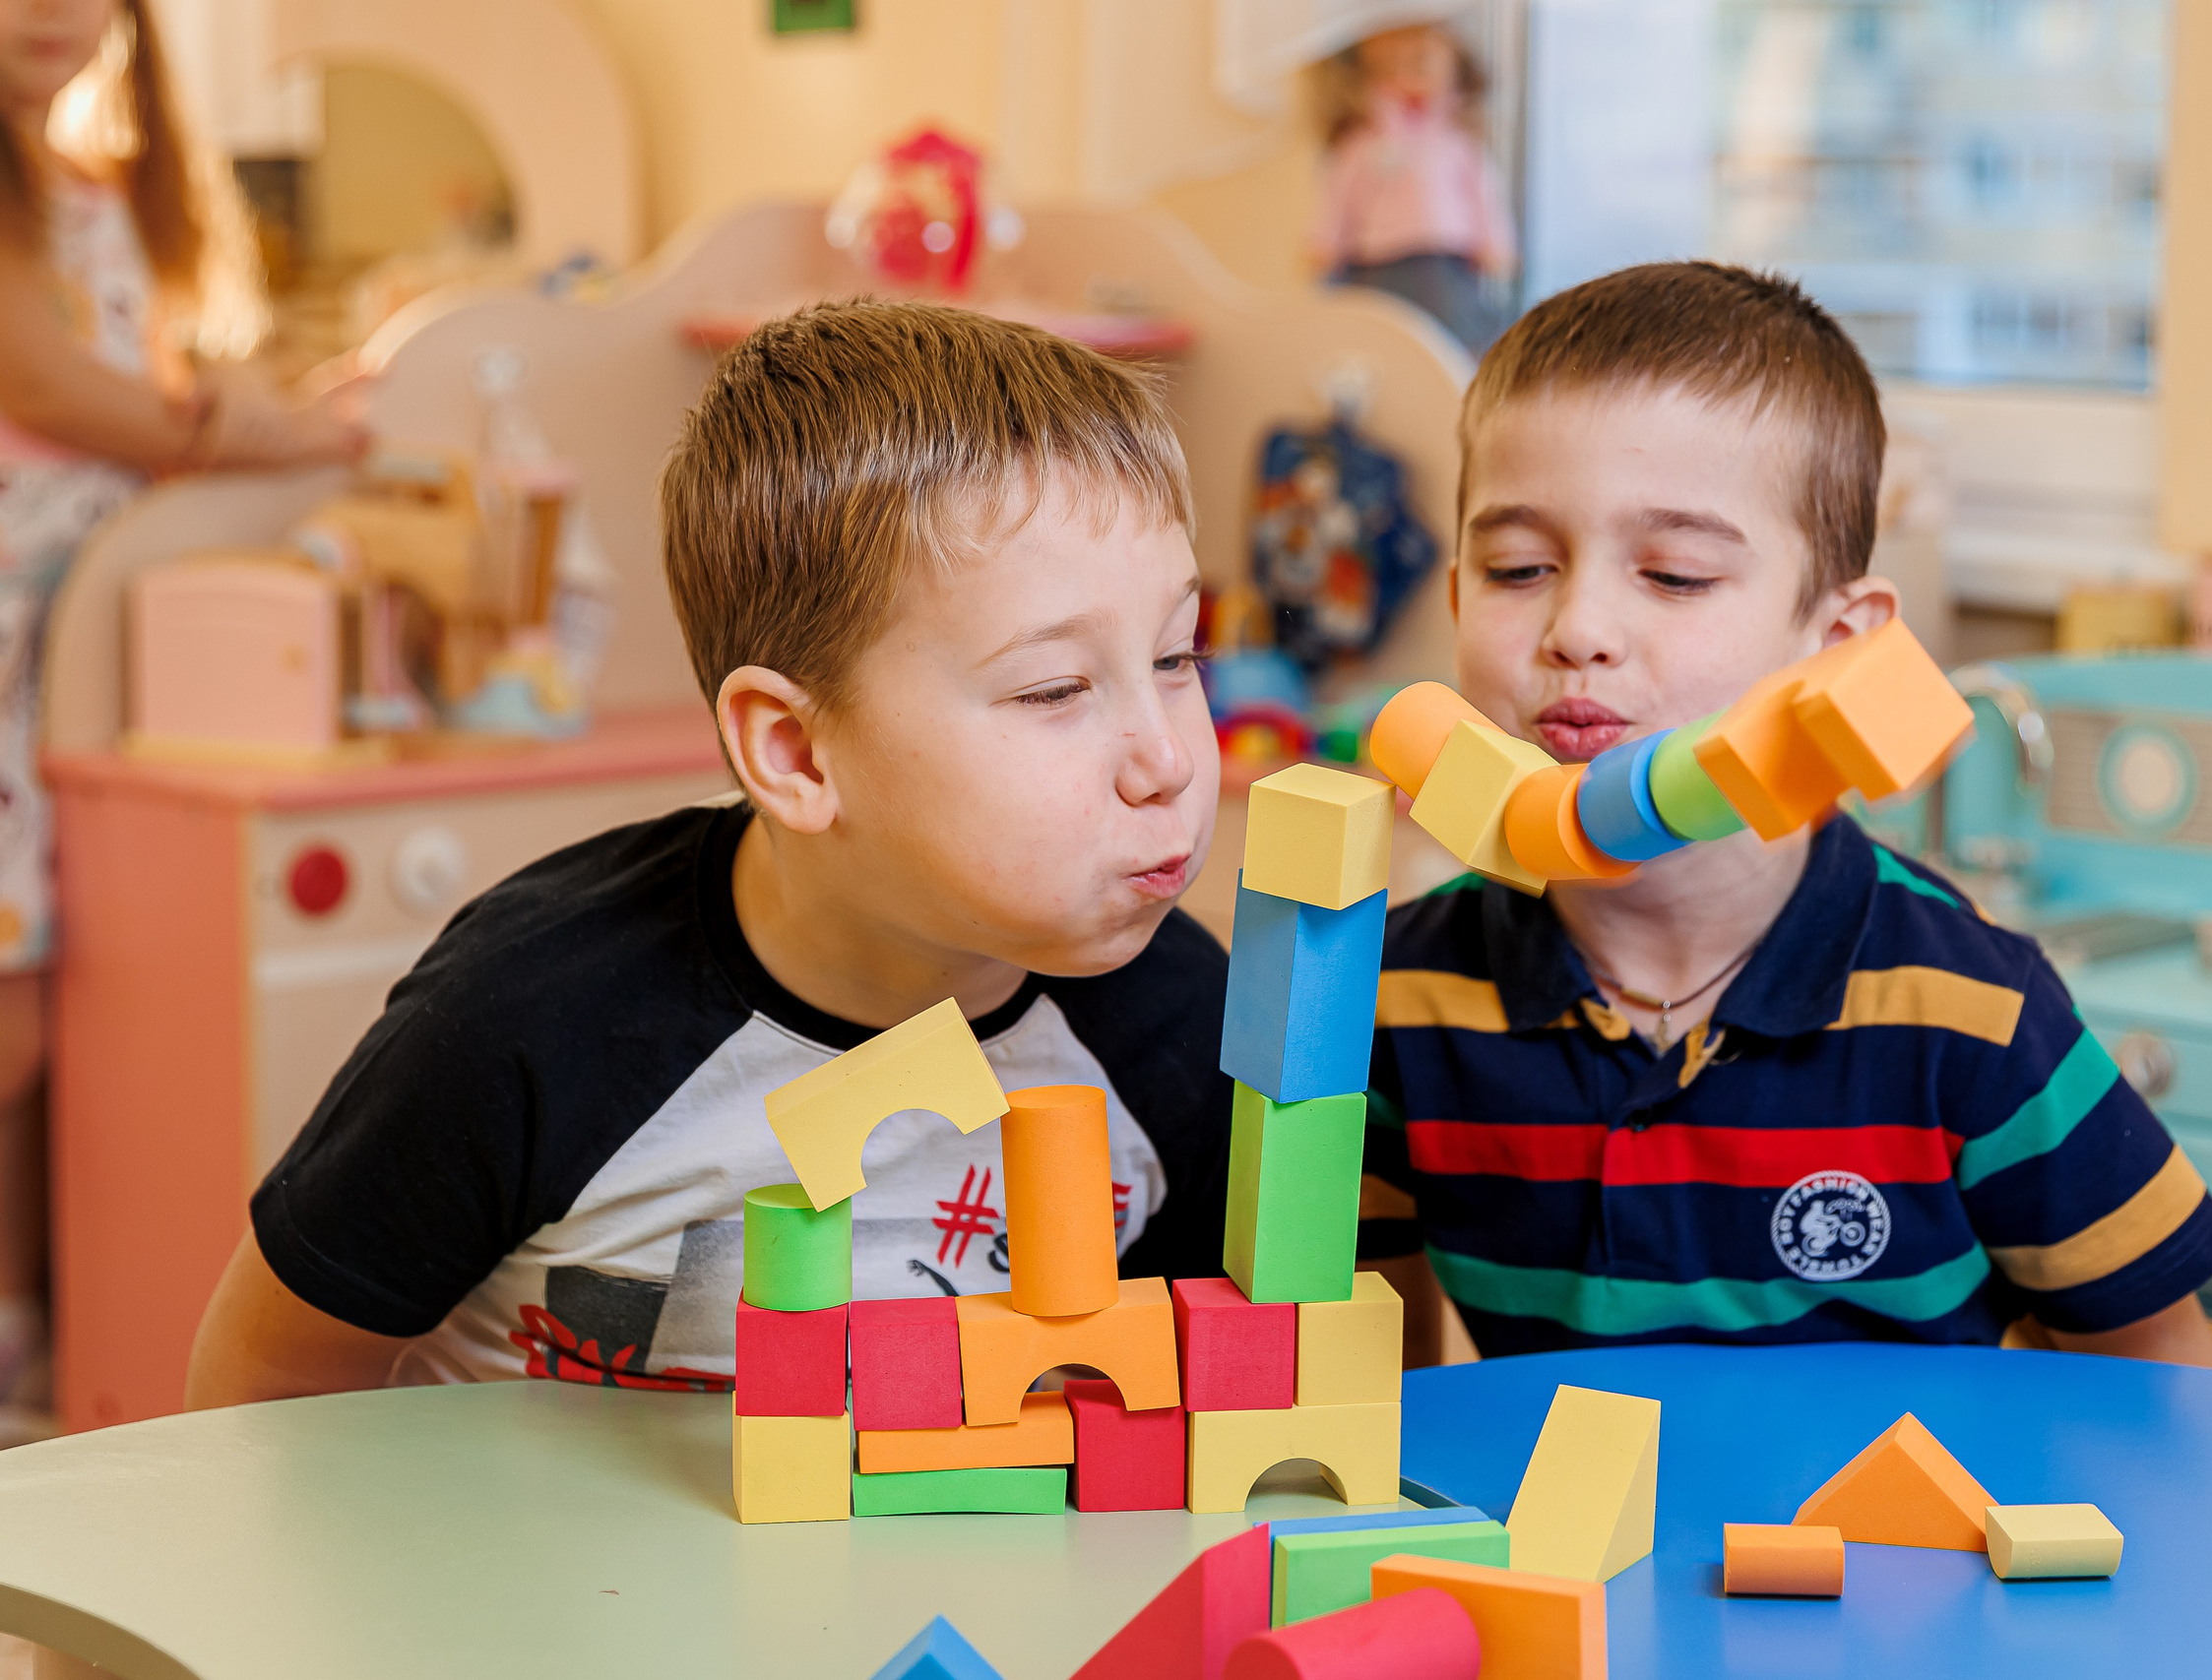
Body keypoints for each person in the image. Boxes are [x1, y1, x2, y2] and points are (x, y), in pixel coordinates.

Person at [184, 301, 1230, 1402]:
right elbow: (267, 1379)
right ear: (796, 754)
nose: (1166, 760)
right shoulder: (527, 1017)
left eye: (1175, 656)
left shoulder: (1183, 1022)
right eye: (1054, 688)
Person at [1360, 263, 2212, 1367]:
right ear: (1455, 599)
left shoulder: (1972, 1010)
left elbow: (2164, 1393)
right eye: (1518, 566)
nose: (1577, 626)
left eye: (1674, 576)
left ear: (1839, 646)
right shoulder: (1393, 1002)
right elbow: (1377, 1397)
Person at [0, 0, 361, 1418]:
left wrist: (225, 414)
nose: (59, 13)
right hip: (26, 619)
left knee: (59, 1008)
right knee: (21, 1021)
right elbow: (47, 384)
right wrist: (239, 433)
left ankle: (29, 1322)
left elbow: (125, 383)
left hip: (68, 637)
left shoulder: (91, 195)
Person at [1308, 22, 1516, 357]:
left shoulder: (1458, 145)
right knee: (1379, 343)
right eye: (1388, 66)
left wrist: (1496, 246)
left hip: (1446, 265)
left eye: (1418, 61)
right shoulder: (1361, 146)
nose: (1404, 76)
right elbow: (1340, 199)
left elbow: (1485, 198)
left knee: (1449, 346)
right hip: (1375, 265)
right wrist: (1325, 244)